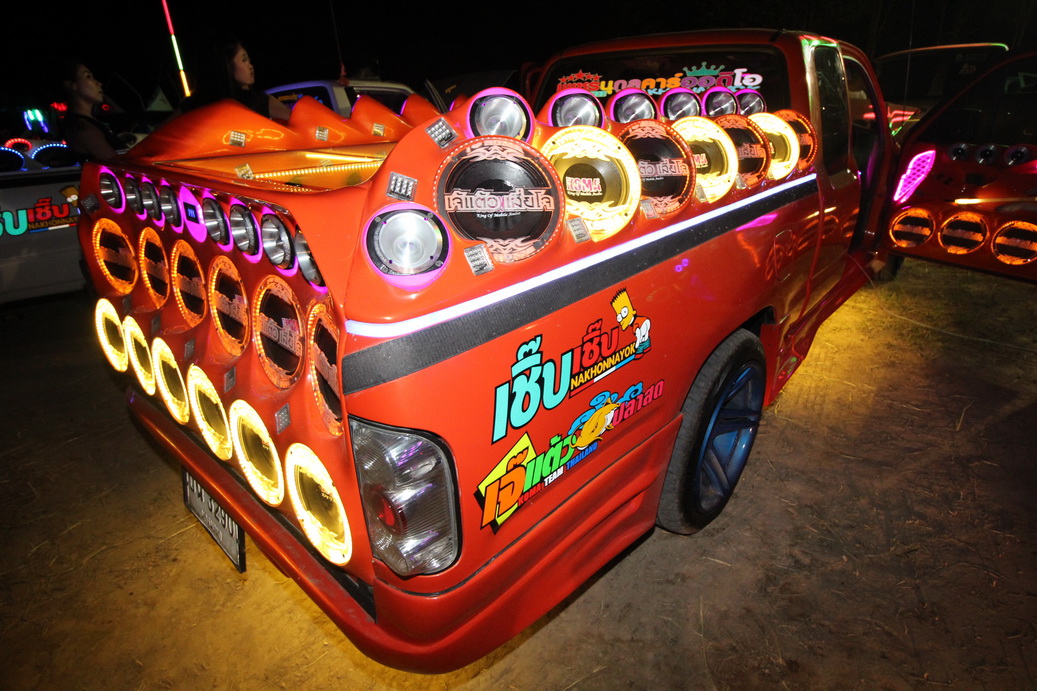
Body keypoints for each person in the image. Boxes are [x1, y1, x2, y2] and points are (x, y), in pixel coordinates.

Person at [180, 38, 291, 121]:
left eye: (249, 60)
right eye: (244, 59)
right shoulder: (259, 101)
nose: (250, 66)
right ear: (226, 65)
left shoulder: (190, 106)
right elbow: (296, 123)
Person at [59, 62, 124, 161]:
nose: (99, 83)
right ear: (71, 84)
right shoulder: (83, 128)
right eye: (88, 76)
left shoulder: (88, 123)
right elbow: (116, 164)